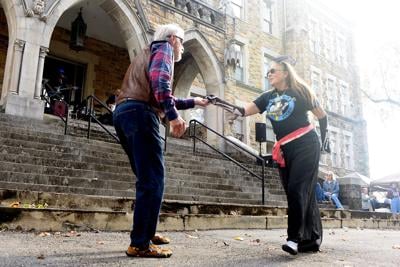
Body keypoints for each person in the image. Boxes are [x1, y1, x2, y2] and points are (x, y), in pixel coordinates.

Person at [113, 24, 209, 258]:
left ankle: (147, 232)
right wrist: (175, 118)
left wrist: (194, 102)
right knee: (153, 180)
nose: (182, 48)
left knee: (148, 178)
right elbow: (160, 85)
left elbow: (160, 93)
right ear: (174, 39)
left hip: (124, 112)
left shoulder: (148, 52)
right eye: (182, 42)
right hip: (142, 114)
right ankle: (140, 244)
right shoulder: (165, 48)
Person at [231, 56, 328, 255]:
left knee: (297, 189)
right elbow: (245, 109)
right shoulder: (267, 97)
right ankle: (310, 239)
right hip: (284, 148)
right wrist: (227, 108)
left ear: (285, 72)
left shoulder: (300, 91)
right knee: (298, 193)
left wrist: (325, 141)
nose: (269, 74)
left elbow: (322, 116)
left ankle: (294, 239)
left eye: (273, 70)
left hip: (306, 144)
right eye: (268, 71)